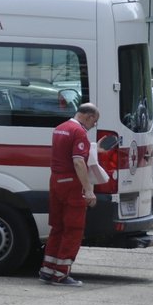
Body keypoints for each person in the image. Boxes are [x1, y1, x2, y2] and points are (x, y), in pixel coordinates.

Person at [39, 102, 100, 286]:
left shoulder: (59, 128)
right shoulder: (78, 132)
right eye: (94, 121)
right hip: (71, 185)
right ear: (88, 116)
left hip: (56, 181)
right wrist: (89, 189)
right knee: (73, 229)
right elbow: (78, 162)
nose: (93, 125)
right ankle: (61, 273)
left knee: (57, 227)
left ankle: (47, 269)